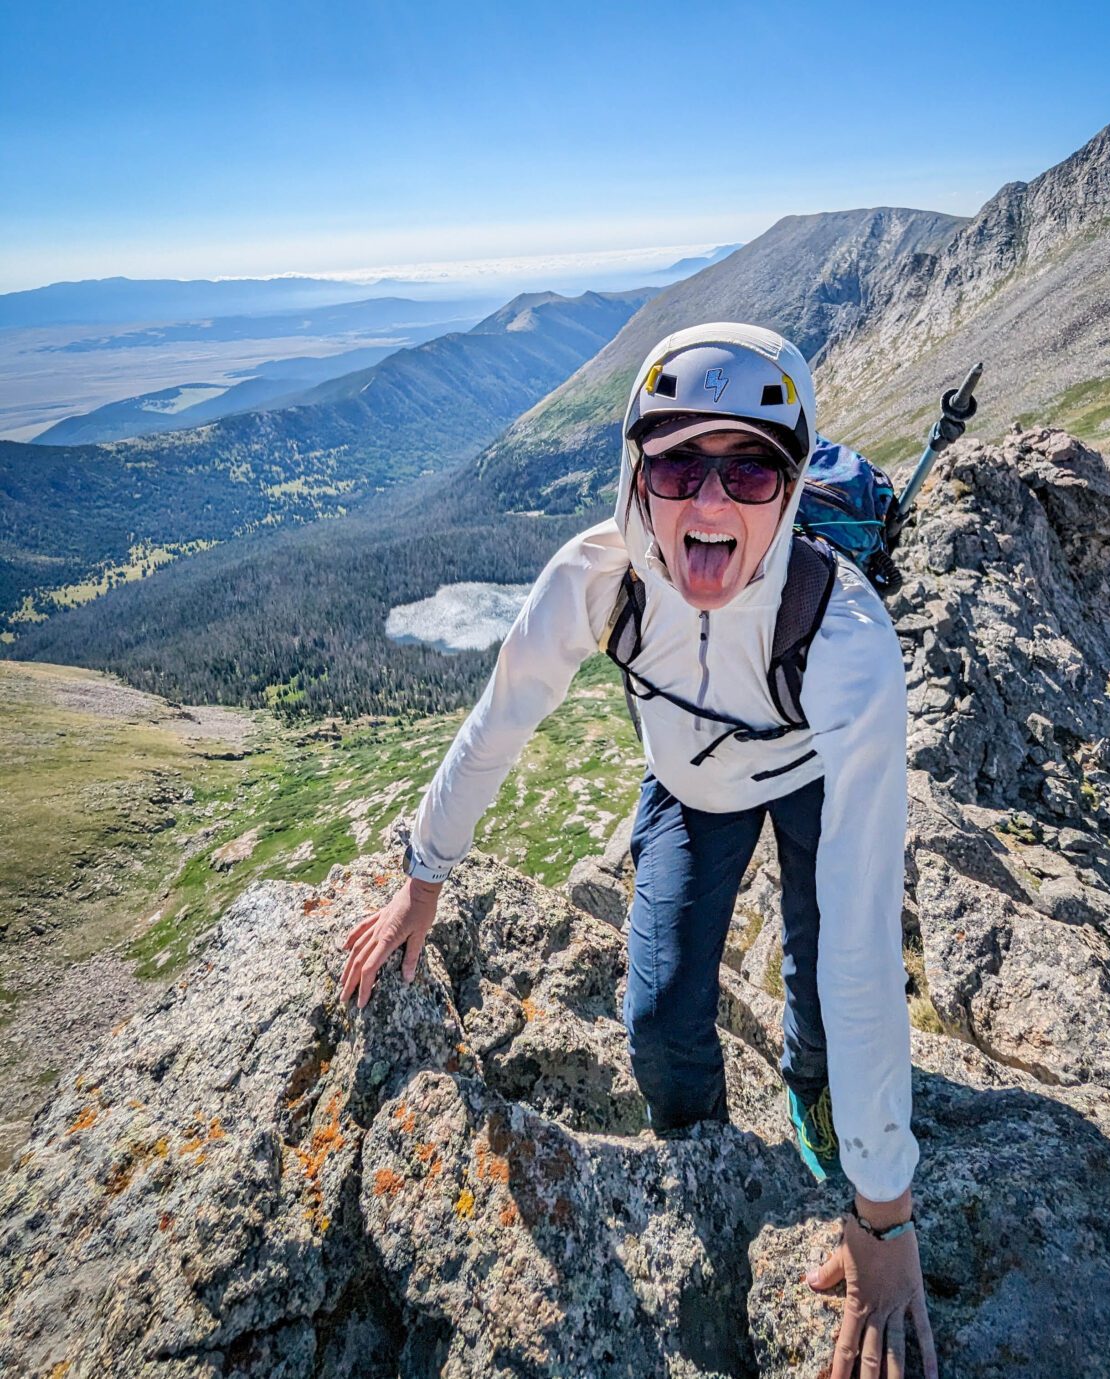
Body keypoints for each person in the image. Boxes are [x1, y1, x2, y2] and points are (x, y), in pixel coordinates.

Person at [338, 321, 938, 1378]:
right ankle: (703, 1151)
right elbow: (502, 717)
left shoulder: (845, 643)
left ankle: (813, 1101)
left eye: (749, 467)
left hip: (806, 780)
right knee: (658, 1023)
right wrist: (420, 881)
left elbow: (858, 948)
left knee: (817, 982)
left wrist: (883, 1224)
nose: (709, 500)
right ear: (638, 477)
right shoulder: (597, 577)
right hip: (687, 783)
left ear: (791, 487)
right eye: (676, 464)